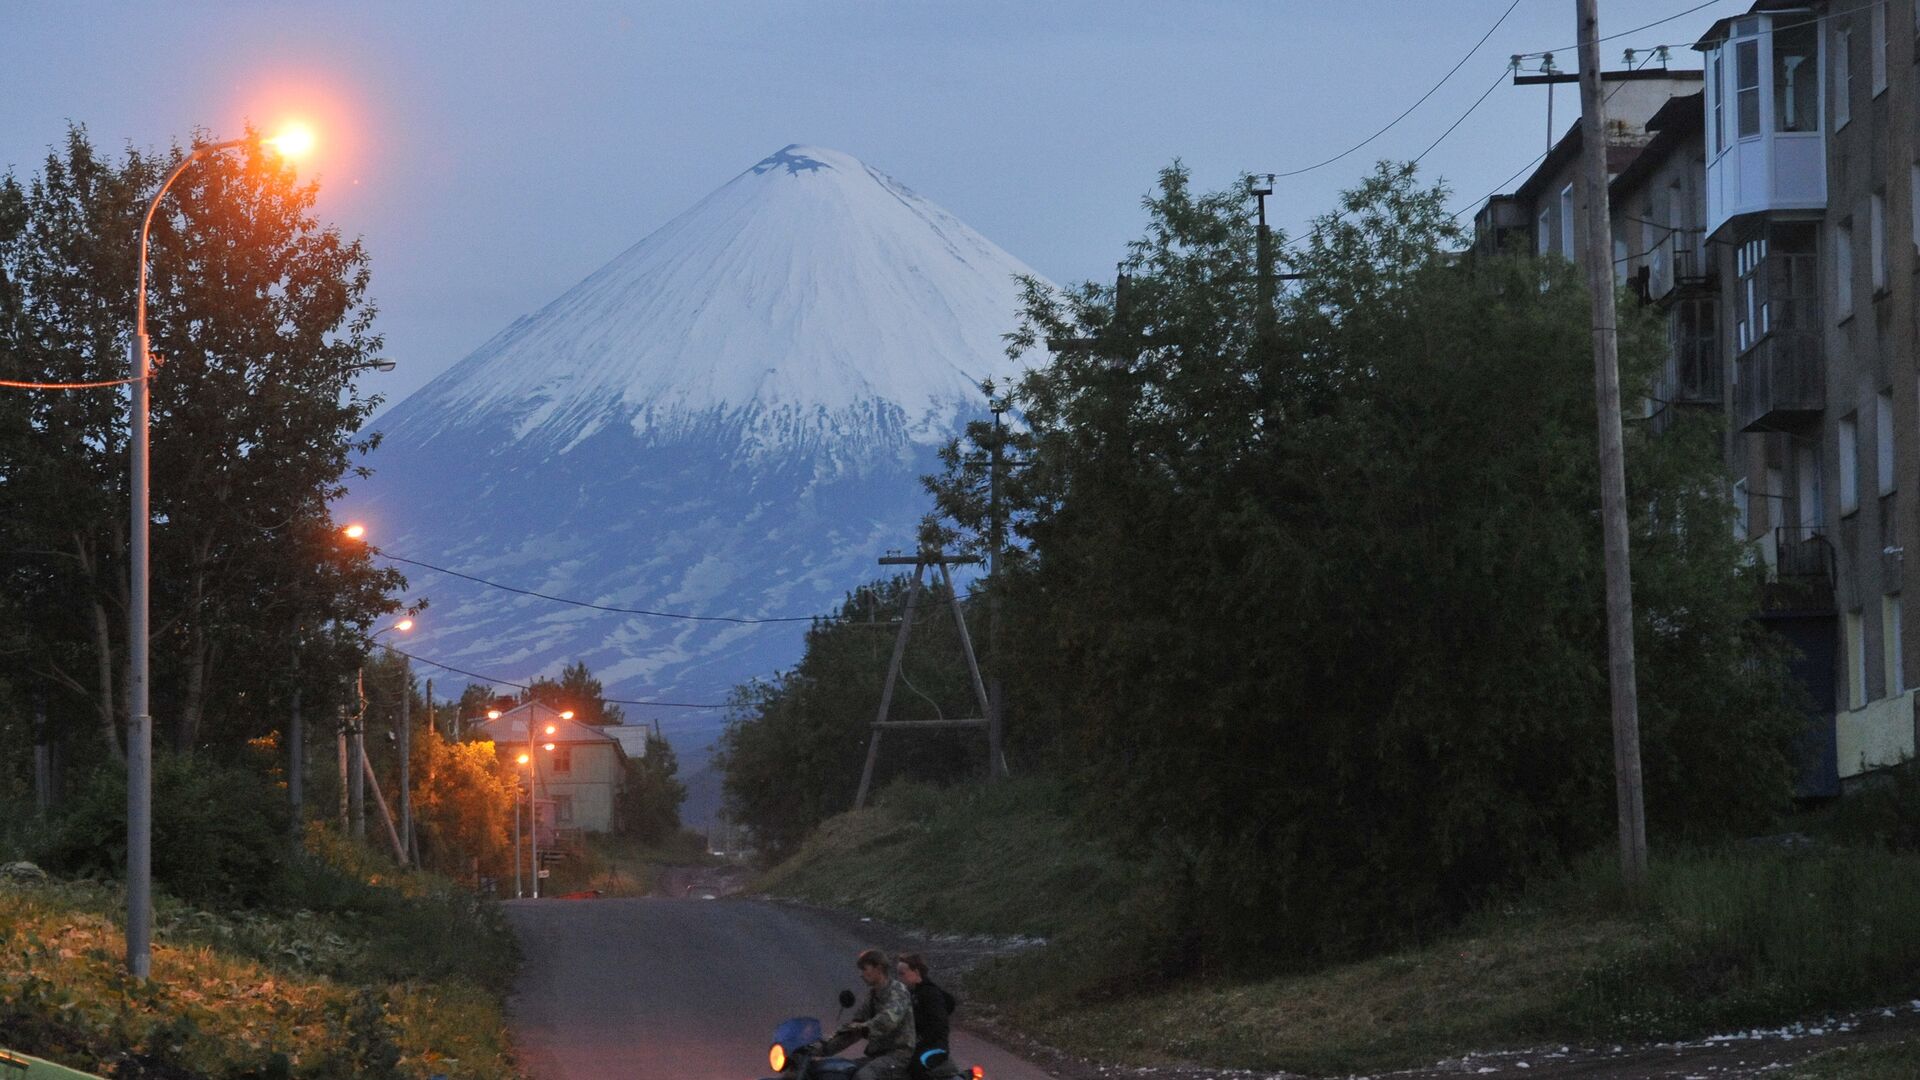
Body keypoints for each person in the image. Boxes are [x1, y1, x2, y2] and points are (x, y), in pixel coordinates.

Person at [820, 948, 916, 1079]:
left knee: (864, 1076)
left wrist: (860, 1028)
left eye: (864, 969)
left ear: (879, 968)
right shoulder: (872, 996)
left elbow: (886, 1022)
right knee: (838, 1069)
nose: (861, 974)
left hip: (899, 1056)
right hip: (877, 1056)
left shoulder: (898, 991)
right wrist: (821, 1048)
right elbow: (854, 1028)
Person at [896, 952, 959, 1078]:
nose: (899, 978)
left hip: (935, 1047)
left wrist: (917, 1041)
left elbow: (938, 1026)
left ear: (916, 972)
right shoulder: (911, 994)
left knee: (914, 1067)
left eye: (902, 974)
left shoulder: (930, 994)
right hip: (918, 1045)